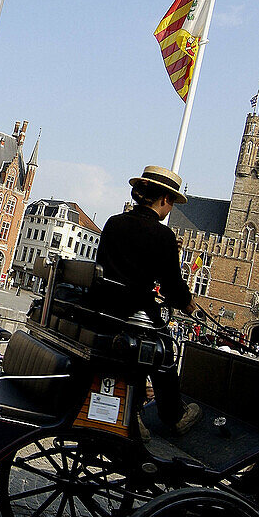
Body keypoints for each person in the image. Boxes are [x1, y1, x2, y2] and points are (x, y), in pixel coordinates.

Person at [92, 165, 201, 436]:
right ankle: (173, 415)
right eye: (172, 203)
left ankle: (132, 408)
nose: (171, 208)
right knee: (164, 349)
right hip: (134, 312)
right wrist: (188, 304)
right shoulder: (163, 235)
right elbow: (172, 286)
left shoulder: (114, 222)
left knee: (145, 344)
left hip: (103, 310)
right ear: (164, 200)